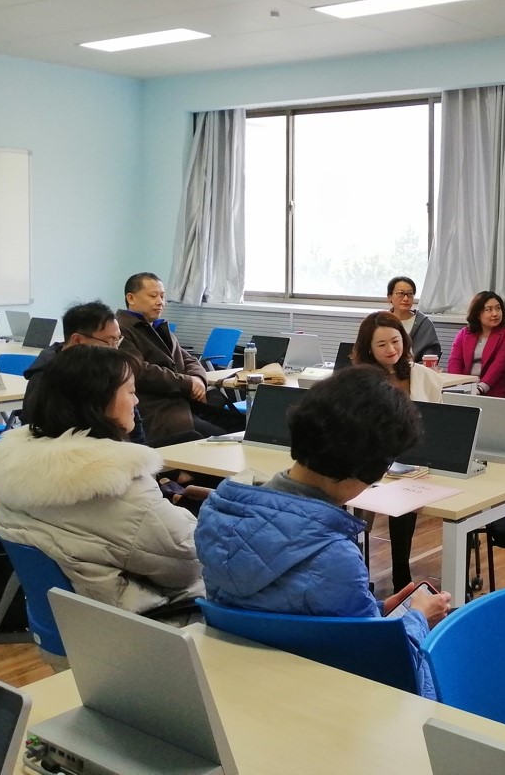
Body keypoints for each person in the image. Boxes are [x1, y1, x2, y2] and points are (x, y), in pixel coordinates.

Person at [193, 366, 453, 699]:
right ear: (366, 469)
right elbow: (382, 667)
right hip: (325, 698)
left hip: (246, 687)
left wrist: (374, 609)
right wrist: (418, 617)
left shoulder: (217, 514)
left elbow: (288, 613)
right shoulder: (333, 556)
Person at [0, 345, 203, 613]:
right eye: (131, 392)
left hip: (73, 618)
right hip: (147, 622)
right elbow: (191, 563)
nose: (137, 401)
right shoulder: (117, 486)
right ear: (99, 401)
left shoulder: (16, 465)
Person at [352, 311, 444, 590]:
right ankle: (356, 572)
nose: (391, 349)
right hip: (368, 457)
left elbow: (437, 422)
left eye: (396, 341)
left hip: (412, 459)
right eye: (382, 344)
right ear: (369, 348)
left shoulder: (424, 377)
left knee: (405, 498)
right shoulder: (359, 380)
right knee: (360, 502)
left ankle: (401, 576)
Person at [116, 272, 242, 444]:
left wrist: (198, 379)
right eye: (153, 296)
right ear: (131, 298)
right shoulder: (121, 330)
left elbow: (190, 359)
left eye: (162, 296)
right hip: (159, 411)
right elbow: (141, 371)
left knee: (243, 426)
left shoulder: (157, 326)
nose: (160, 302)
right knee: (223, 439)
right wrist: (188, 384)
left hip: (186, 405)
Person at [21, 301, 139, 436]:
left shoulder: (112, 370)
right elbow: (37, 428)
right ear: (77, 340)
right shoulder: (47, 375)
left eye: (117, 341)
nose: (115, 349)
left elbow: (136, 426)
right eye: (109, 342)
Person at [447, 291, 505, 399]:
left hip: (494, 391)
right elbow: (455, 361)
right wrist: (457, 385)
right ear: (478, 314)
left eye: (498, 308)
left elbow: (498, 367)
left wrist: (479, 389)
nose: (495, 313)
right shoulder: (464, 334)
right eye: (489, 309)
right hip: (466, 387)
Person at [387, 276, 441, 366]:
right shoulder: (381, 322)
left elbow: (431, 355)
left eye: (410, 294)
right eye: (400, 294)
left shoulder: (424, 324)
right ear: (389, 297)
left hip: (416, 371)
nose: (406, 299)